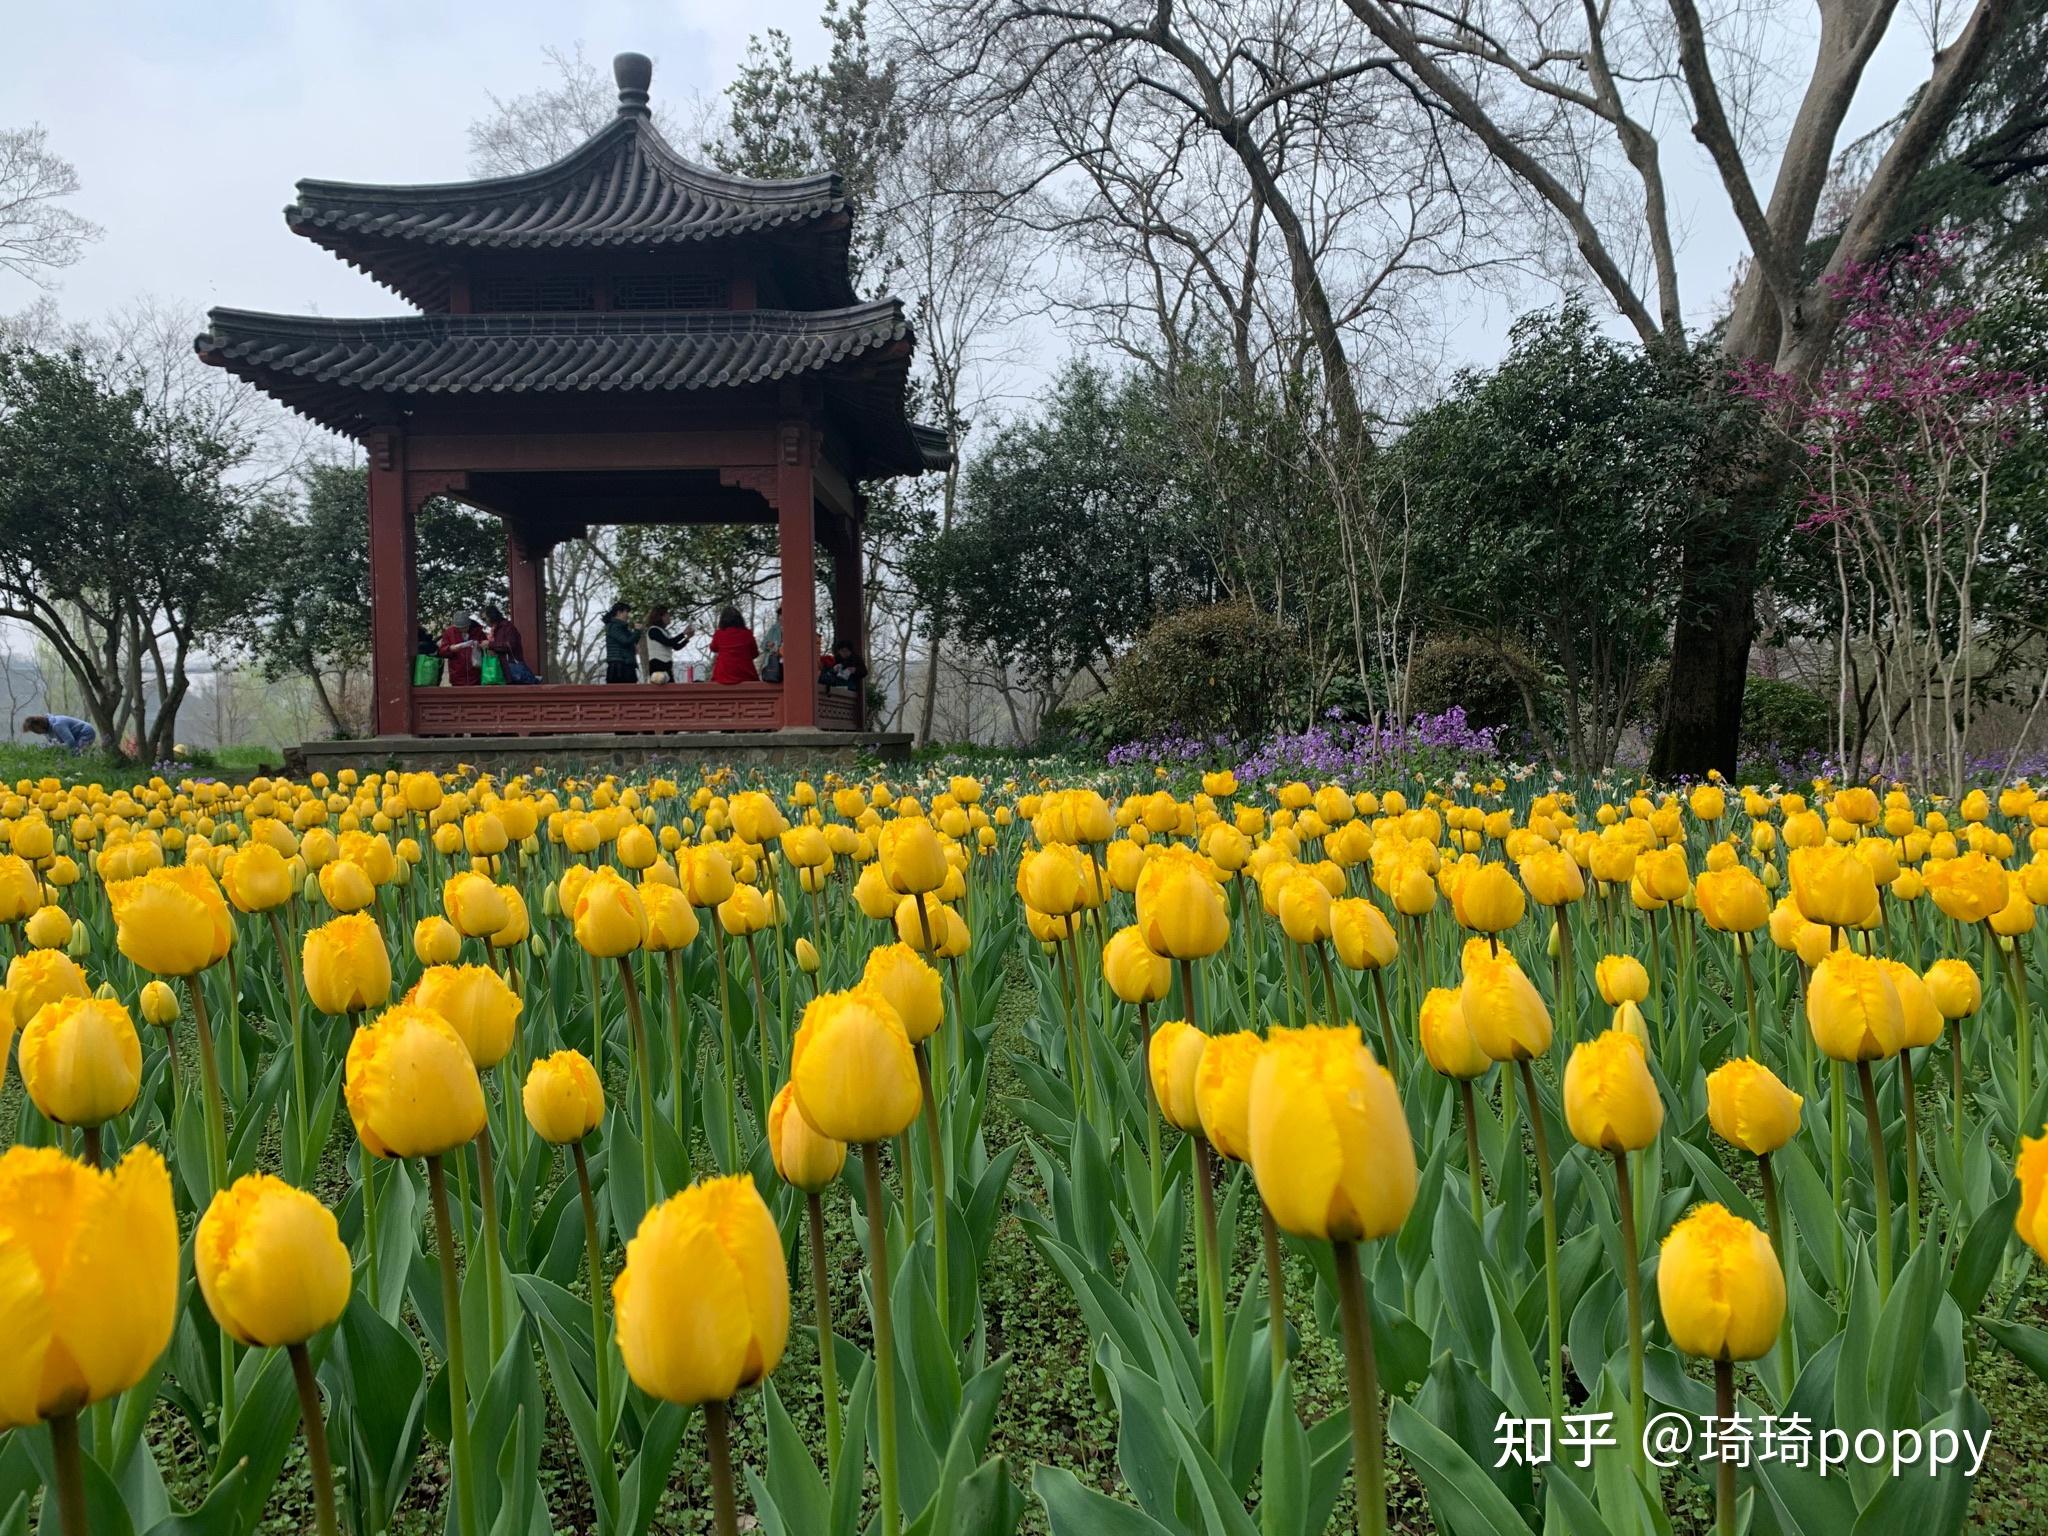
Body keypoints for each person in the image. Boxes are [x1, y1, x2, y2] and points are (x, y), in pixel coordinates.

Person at [482, 605, 537, 683]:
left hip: (510, 667)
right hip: (501, 669)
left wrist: (490, 645)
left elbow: (510, 645)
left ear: (491, 616)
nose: (484, 621)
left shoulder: (507, 627)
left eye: (484, 619)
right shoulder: (495, 629)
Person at [708, 606, 759, 684]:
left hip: (723, 675)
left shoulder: (719, 634)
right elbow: (755, 653)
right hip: (746, 675)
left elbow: (713, 648)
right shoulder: (747, 634)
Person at [644, 605, 691, 684]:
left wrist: (687, 638)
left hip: (667, 665)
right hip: (657, 663)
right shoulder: (653, 630)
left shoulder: (665, 632)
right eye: (667, 615)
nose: (669, 617)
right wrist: (683, 634)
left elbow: (676, 646)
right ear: (660, 617)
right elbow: (668, 642)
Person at [438, 614, 482, 686]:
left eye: (464, 627)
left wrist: (480, 646)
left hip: (476, 675)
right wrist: (450, 649)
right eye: (459, 628)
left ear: (469, 624)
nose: (462, 630)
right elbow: (441, 652)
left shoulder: (478, 631)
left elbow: (486, 647)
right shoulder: (449, 632)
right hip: (457, 676)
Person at [604, 602, 641, 684]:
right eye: (626, 612)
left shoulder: (623, 628)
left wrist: (637, 634)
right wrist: (637, 631)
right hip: (618, 666)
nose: (628, 615)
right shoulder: (613, 626)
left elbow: (632, 640)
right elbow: (625, 641)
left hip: (627, 664)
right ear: (619, 613)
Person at [22, 713, 97, 753]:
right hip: (74, 735)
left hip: (85, 732)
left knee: (77, 753)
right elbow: (55, 743)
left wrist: (56, 747)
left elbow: (70, 742)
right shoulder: (46, 732)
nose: (36, 732)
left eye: (35, 729)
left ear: (40, 724)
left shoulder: (57, 725)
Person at [759, 601, 785, 683]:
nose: (782, 617)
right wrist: (769, 645)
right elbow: (763, 645)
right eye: (780, 614)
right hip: (774, 666)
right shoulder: (774, 629)